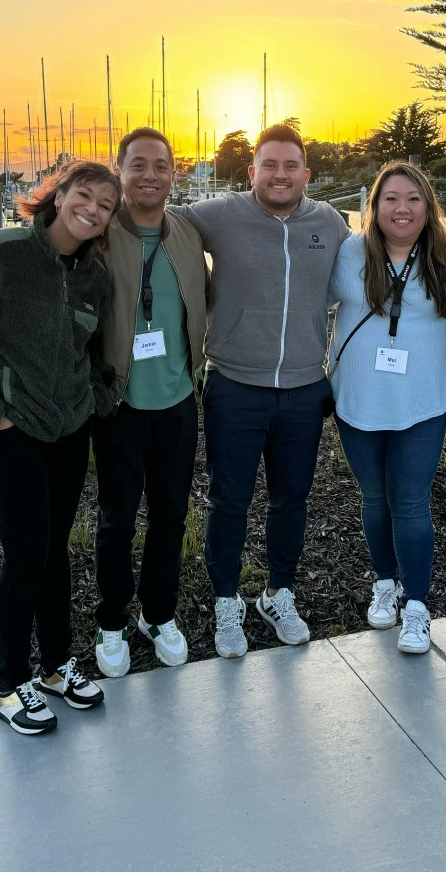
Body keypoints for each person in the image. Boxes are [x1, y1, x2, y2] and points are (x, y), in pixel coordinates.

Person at [0, 160, 120, 735]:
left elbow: (91, 353)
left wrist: (96, 399)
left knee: (55, 553)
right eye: (84, 195)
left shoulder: (96, 276)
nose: (91, 210)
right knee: (25, 558)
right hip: (8, 436)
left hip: (70, 432)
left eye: (105, 206)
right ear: (58, 194)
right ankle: (9, 684)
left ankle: (54, 666)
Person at [176, 122, 350, 658]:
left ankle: (278, 593)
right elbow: (156, 220)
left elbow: (371, 271)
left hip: (303, 387)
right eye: (268, 165)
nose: (279, 175)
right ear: (251, 172)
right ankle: (226, 602)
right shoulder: (220, 214)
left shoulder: (331, 223)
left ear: (306, 173)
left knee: (290, 500)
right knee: (229, 501)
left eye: (290, 166)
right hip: (234, 384)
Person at [327, 162, 446, 655]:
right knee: (373, 498)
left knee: (410, 503)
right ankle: (383, 582)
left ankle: (417, 606)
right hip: (358, 399)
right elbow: (302, 302)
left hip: (423, 402)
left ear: (429, 207)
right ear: (374, 206)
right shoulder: (348, 253)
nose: (401, 208)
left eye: (413, 198)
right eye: (391, 198)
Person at [91, 127, 208, 678]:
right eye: (138, 165)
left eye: (161, 166)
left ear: (173, 174)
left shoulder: (186, 235)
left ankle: (158, 614)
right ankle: (111, 620)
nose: (150, 175)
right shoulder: (100, 235)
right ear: (121, 170)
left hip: (178, 400)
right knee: (117, 519)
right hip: (120, 406)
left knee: (170, 516)